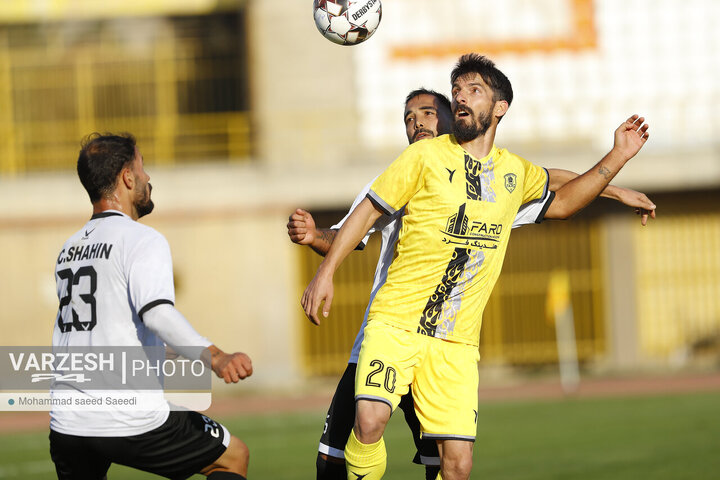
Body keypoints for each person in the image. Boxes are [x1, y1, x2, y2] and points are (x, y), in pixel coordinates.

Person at [301, 54, 651, 480]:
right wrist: (326, 273)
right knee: (368, 422)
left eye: (473, 90)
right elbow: (366, 213)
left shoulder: (511, 174)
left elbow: (562, 199)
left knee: (457, 466)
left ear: (500, 106)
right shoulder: (423, 157)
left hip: (456, 344)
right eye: (457, 90)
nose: (461, 97)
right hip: (395, 324)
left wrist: (617, 159)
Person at [50, 133, 254, 480]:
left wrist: (181, 350)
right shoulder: (143, 239)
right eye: (142, 169)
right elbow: (156, 314)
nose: (148, 179)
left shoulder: (68, 250)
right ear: (127, 178)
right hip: (127, 416)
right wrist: (216, 356)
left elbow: (113, 332)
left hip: (68, 421)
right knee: (233, 456)